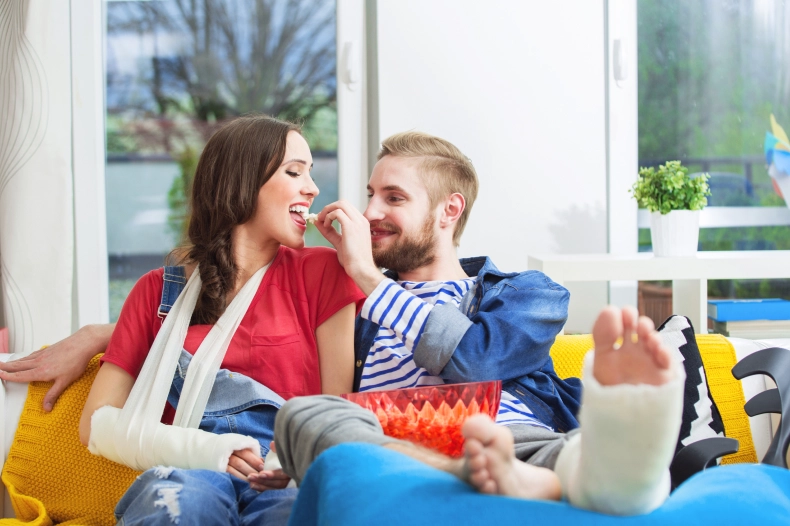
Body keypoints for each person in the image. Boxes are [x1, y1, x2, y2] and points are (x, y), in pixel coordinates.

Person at [1, 131, 683, 515]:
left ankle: (602, 465)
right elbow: (217, 316)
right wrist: (105, 334)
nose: (367, 211)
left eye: (393, 197)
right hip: (373, 453)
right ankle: (545, 476)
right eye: (369, 194)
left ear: (448, 211)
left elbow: (474, 359)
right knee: (314, 425)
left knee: (325, 425)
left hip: (491, 434)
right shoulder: (337, 298)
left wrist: (363, 271)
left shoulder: (523, 294)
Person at [78, 115, 366, 525]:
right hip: (190, 474)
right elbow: (96, 425)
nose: (313, 188)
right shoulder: (158, 292)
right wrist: (208, 452)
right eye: (294, 171)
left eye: (311, 172)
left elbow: (333, 412)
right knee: (180, 503)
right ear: (242, 181)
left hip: (287, 477)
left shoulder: (323, 272)